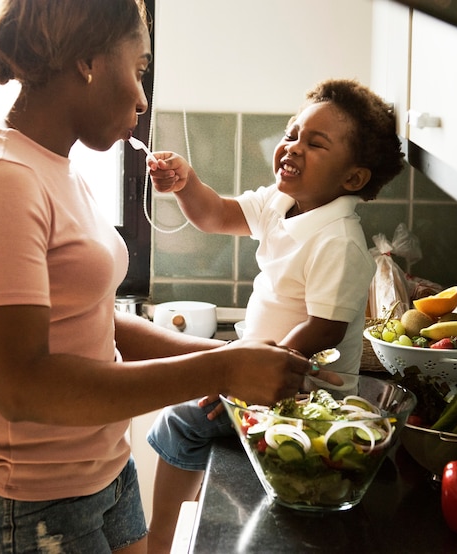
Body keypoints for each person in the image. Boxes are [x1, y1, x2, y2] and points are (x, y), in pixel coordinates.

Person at [0, 1, 330, 552]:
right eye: (138, 69)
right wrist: (223, 369)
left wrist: (224, 360)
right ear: (87, 61)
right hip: (26, 503)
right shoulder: (1, 178)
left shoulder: (55, 166)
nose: (141, 97)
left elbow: (94, 323)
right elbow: (21, 385)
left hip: (101, 474)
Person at [146, 78, 404, 552]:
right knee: (188, 414)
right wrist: (186, 184)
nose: (293, 147)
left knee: (180, 419)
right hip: (258, 373)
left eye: (315, 143)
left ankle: (158, 541)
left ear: (353, 179)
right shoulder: (280, 202)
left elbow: (324, 329)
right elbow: (216, 215)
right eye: (292, 133)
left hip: (300, 395)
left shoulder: (339, 240)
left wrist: (241, 373)